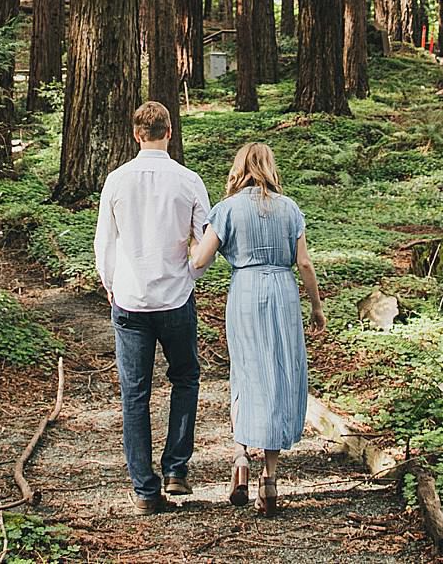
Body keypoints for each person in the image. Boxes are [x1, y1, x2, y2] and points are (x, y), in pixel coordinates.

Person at [191, 141, 325, 514]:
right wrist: (316, 307)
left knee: (247, 372)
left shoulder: (227, 209)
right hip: (283, 292)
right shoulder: (290, 208)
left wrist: (187, 242)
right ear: (269, 167)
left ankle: (239, 459)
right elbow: (305, 264)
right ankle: (270, 479)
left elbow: (200, 260)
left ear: (240, 168)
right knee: (279, 374)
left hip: (246, 292)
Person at [93, 100, 212, 514]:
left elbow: (104, 242)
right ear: (169, 132)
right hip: (176, 297)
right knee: (185, 377)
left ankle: (146, 491)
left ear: (136, 134)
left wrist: (111, 285)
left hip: (130, 299)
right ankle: (176, 468)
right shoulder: (188, 180)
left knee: (135, 393)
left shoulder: (116, 180)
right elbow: (207, 241)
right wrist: (191, 275)